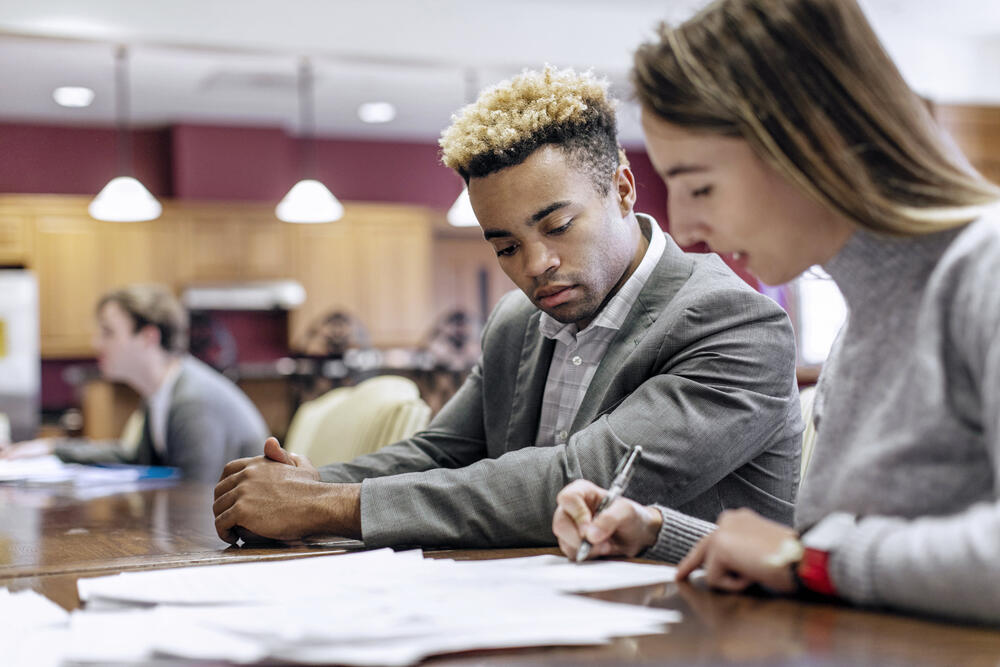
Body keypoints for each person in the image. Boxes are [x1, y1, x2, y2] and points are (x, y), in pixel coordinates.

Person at [212, 66, 802, 549]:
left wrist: (325, 505)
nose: (534, 264)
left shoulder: (733, 322)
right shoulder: (520, 321)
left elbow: (580, 479)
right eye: (506, 245)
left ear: (622, 188)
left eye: (558, 225)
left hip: (706, 629)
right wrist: (304, 482)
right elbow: (441, 452)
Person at [552, 0, 1000, 625]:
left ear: (810, 143)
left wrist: (806, 560)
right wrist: (660, 532)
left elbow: (821, 559)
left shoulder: (987, 270)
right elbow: (828, 555)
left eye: (701, 185)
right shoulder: (866, 322)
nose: (684, 225)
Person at [1, 285, 268, 483]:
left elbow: (196, 496)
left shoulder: (194, 401)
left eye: (108, 332)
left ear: (148, 337)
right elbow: (134, 458)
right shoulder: (164, 392)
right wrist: (52, 448)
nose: (96, 343)